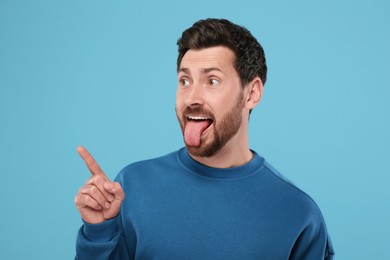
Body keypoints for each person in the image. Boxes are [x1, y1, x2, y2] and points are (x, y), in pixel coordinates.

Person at [74, 18, 335, 259]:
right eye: (185, 81)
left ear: (252, 93)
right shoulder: (131, 186)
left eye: (212, 81)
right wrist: (98, 231)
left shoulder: (298, 213)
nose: (192, 98)